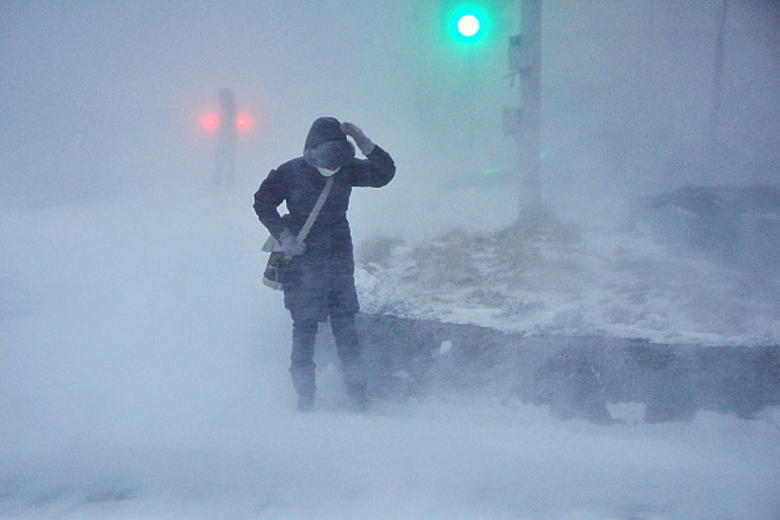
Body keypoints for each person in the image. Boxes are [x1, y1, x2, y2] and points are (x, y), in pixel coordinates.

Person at [253, 117, 396, 411]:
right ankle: (305, 398)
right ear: (312, 153)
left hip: (338, 259)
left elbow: (384, 174)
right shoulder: (289, 172)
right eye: (327, 164)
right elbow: (262, 202)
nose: (331, 169)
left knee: (346, 328)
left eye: (336, 165)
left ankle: (358, 397)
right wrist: (284, 236)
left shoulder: (347, 169)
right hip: (301, 260)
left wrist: (364, 142)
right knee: (304, 329)